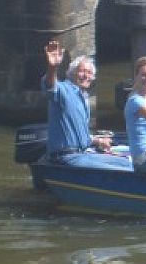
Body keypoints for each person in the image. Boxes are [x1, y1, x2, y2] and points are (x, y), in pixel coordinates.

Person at [42, 40, 131, 170]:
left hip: (83, 153)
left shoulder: (84, 97)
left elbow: (80, 134)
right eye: (82, 71)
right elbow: (50, 85)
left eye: (90, 73)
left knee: (128, 163)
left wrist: (98, 141)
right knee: (122, 171)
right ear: (72, 73)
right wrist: (53, 67)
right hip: (66, 157)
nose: (86, 76)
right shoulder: (63, 90)